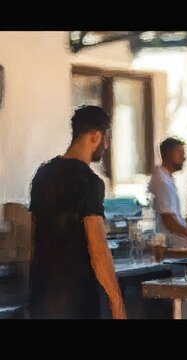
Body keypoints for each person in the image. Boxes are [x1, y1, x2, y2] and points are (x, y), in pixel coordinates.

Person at [29, 105, 126, 319]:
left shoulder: (42, 174)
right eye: (106, 139)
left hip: (41, 294)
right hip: (76, 296)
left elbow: (33, 234)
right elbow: (98, 248)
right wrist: (116, 301)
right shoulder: (89, 182)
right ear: (95, 136)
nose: (107, 146)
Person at [148, 137, 187, 251]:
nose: (184, 158)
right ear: (168, 154)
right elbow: (169, 220)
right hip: (171, 243)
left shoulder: (167, 178)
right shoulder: (162, 181)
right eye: (180, 152)